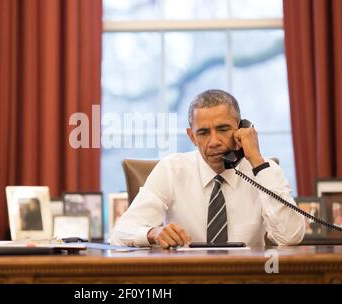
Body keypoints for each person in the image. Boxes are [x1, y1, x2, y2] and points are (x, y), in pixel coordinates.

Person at [110, 89, 306, 248]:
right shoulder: (171, 169)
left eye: (223, 129)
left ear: (241, 129)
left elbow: (290, 237)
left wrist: (256, 160)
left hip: (246, 277)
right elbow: (119, 234)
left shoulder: (264, 171)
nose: (214, 142)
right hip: (188, 278)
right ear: (192, 136)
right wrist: (153, 233)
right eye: (203, 133)